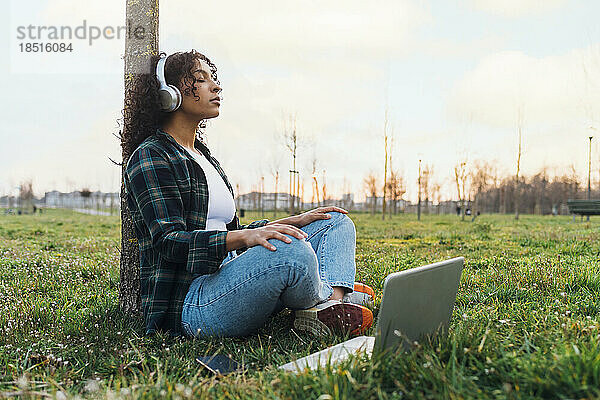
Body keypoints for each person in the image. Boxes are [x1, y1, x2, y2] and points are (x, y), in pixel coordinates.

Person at [123, 50, 374, 339]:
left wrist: (293, 221)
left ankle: (326, 304)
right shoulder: (152, 156)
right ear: (170, 94)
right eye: (201, 80)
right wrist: (245, 238)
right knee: (293, 252)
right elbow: (169, 242)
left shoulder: (203, 156)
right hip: (194, 302)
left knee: (334, 223)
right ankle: (334, 295)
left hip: (234, 274)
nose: (216, 87)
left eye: (213, 79)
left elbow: (231, 232)